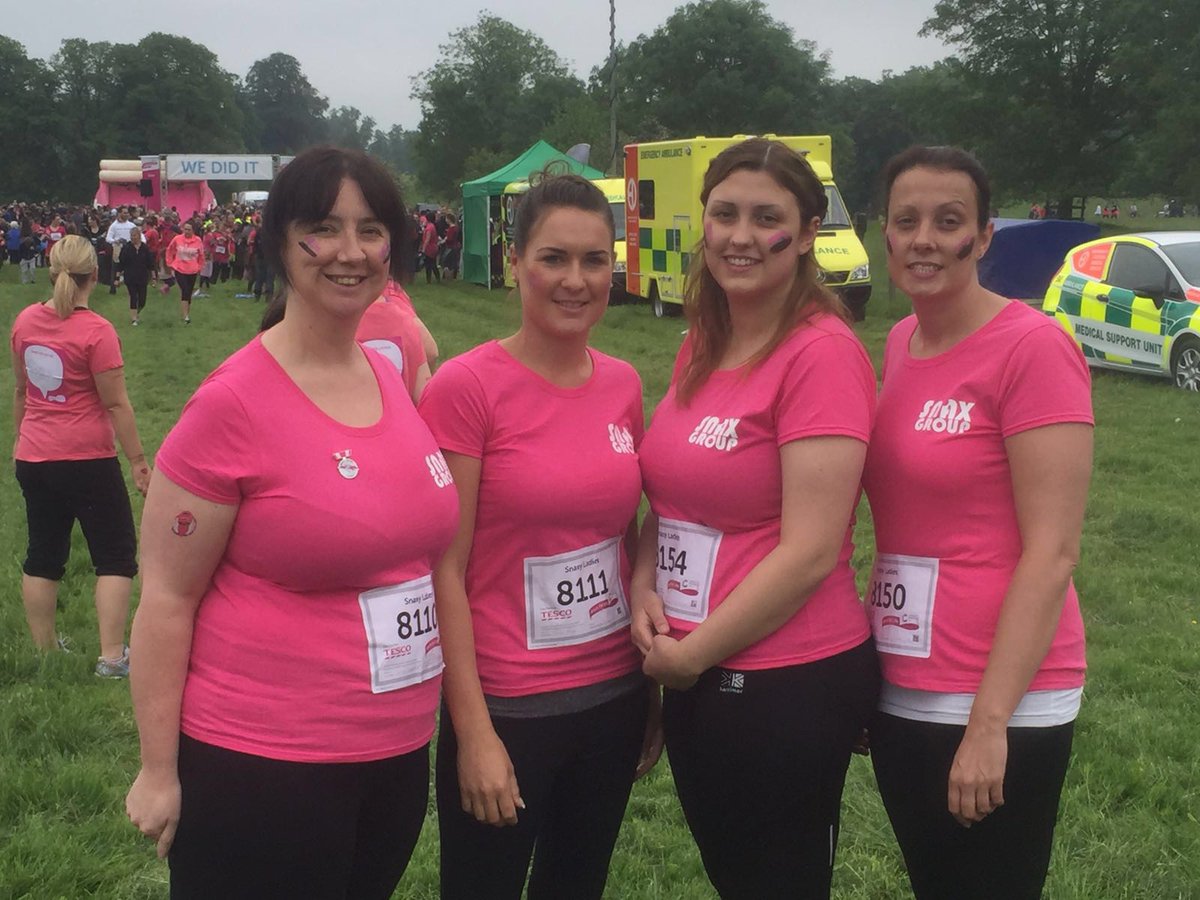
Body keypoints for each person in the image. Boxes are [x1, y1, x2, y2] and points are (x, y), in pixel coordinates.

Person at [124, 146, 458, 899]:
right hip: (263, 764)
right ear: (278, 241)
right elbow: (167, 599)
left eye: (370, 230)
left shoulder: (383, 374)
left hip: (395, 754)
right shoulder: (231, 405)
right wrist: (157, 769)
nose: (350, 252)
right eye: (323, 228)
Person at [631, 138, 879, 899]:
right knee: (735, 876)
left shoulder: (821, 355)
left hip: (785, 680)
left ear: (807, 233)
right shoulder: (705, 343)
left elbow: (809, 552)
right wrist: (643, 584)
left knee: (781, 881)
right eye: (724, 213)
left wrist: (691, 656)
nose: (740, 235)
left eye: (766, 217)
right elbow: (670, 498)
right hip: (699, 670)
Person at [419, 172, 658, 900]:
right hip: (507, 708)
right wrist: (475, 732)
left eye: (595, 260)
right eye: (554, 258)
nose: (576, 280)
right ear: (515, 261)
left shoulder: (622, 385)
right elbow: (443, 571)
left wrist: (650, 693)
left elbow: (629, 535)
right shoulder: (466, 389)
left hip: (611, 699)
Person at [863, 146, 1092, 900]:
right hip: (905, 681)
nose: (925, 238)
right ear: (885, 237)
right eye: (908, 221)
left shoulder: (1032, 347)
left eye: (948, 221)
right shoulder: (901, 343)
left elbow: (1053, 552)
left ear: (985, 236)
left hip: (1003, 697)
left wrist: (990, 723)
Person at [10, 235, 151, 677]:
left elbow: (21, 391)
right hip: (87, 457)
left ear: (52, 272)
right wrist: (138, 461)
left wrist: (25, 440)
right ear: (95, 275)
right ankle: (112, 657)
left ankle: (46, 651)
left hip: (34, 455)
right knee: (114, 554)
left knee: (43, 554)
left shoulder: (26, 321)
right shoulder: (97, 332)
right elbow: (116, 404)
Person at [164, 221, 205, 324]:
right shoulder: (177, 239)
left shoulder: (198, 240)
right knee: (185, 290)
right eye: (185, 229)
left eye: (188, 229)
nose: (186, 231)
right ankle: (185, 316)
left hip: (192, 270)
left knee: (189, 292)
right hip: (179, 268)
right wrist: (170, 263)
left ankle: (187, 312)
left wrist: (199, 267)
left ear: (193, 231)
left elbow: (201, 255)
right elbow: (169, 250)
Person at [117, 227, 155, 326]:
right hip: (130, 276)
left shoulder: (145, 248)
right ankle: (134, 318)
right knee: (133, 296)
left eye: (135, 235)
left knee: (142, 300)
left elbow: (150, 264)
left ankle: (137, 311)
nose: (133, 238)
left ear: (139, 236)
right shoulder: (126, 248)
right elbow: (121, 263)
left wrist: (153, 278)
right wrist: (117, 278)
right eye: (131, 236)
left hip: (142, 276)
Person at [106, 208, 136, 294]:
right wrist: (115, 241)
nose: (126, 214)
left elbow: (139, 235)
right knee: (115, 269)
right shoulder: (114, 226)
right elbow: (108, 238)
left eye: (127, 213)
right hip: (118, 249)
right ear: (119, 214)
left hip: (129, 249)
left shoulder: (131, 225)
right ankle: (113, 288)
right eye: (124, 213)